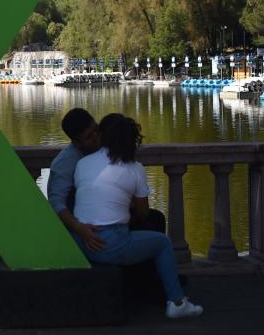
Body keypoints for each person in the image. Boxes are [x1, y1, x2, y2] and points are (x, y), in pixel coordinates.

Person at [72, 113, 203, 319]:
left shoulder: (83, 164)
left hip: (80, 240)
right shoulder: (134, 169)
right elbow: (142, 213)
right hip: (108, 244)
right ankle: (177, 302)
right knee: (162, 242)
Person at [47, 108, 105, 252]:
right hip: (82, 225)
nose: (97, 138)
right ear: (76, 142)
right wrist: (80, 229)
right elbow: (56, 203)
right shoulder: (65, 163)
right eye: (89, 137)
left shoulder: (104, 146)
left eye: (97, 130)